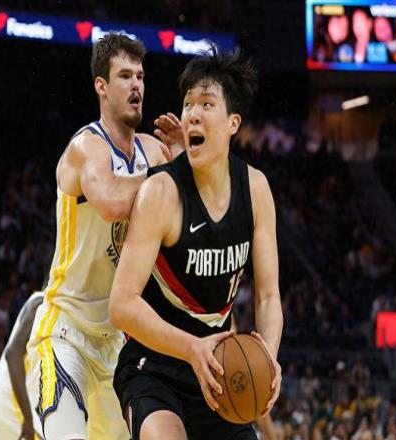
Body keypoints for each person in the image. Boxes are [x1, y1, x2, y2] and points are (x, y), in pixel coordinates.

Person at [109, 47, 283, 439]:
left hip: (220, 374)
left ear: (233, 123)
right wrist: (191, 348)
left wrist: (268, 357)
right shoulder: (161, 192)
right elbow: (121, 305)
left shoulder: (255, 189)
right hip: (153, 368)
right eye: (188, 104)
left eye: (207, 103)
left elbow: (269, 296)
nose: (193, 114)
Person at [25, 33, 182, 440]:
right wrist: (171, 177)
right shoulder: (87, 147)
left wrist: (185, 158)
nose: (136, 85)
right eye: (125, 76)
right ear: (101, 86)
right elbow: (112, 200)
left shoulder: (153, 150)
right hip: (66, 332)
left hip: (118, 344)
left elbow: (193, 210)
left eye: (141, 76)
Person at [0, 292, 44, 440]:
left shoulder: (36, 301)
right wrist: (28, 418)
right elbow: (12, 354)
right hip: (9, 403)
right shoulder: (42, 303)